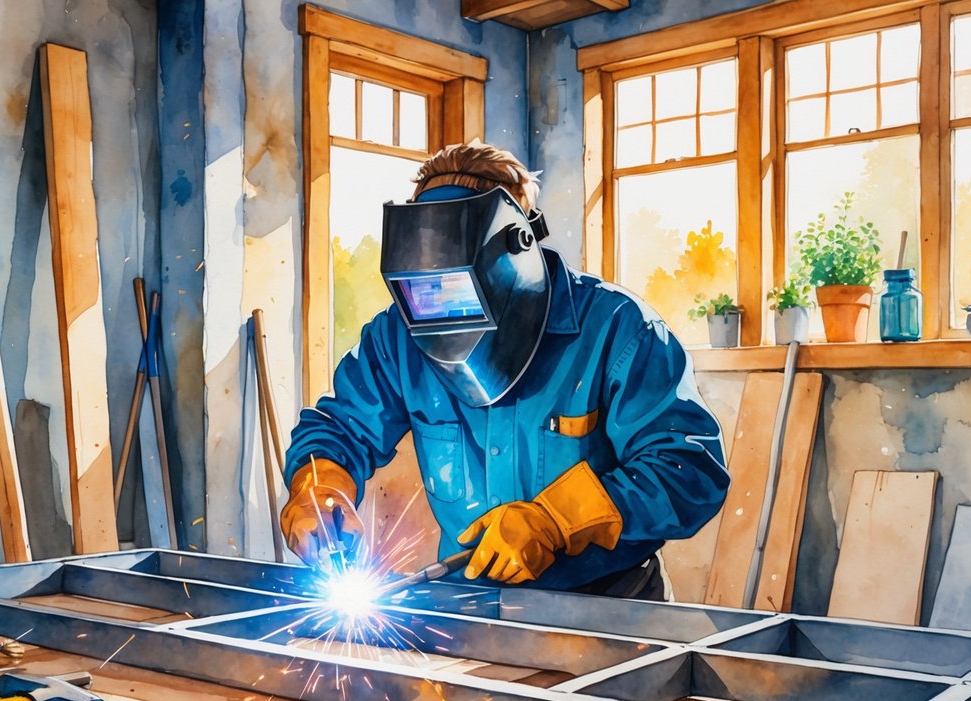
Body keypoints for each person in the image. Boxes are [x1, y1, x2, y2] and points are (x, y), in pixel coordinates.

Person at [279, 141, 729, 600]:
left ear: (517, 253)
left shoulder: (618, 328)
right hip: (470, 603)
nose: (441, 314)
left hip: (610, 606)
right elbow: (340, 431)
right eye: (422, 293)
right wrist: (318, 488)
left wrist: (557, 519)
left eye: (457, 290)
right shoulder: (399, 337)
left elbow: (689, 469)